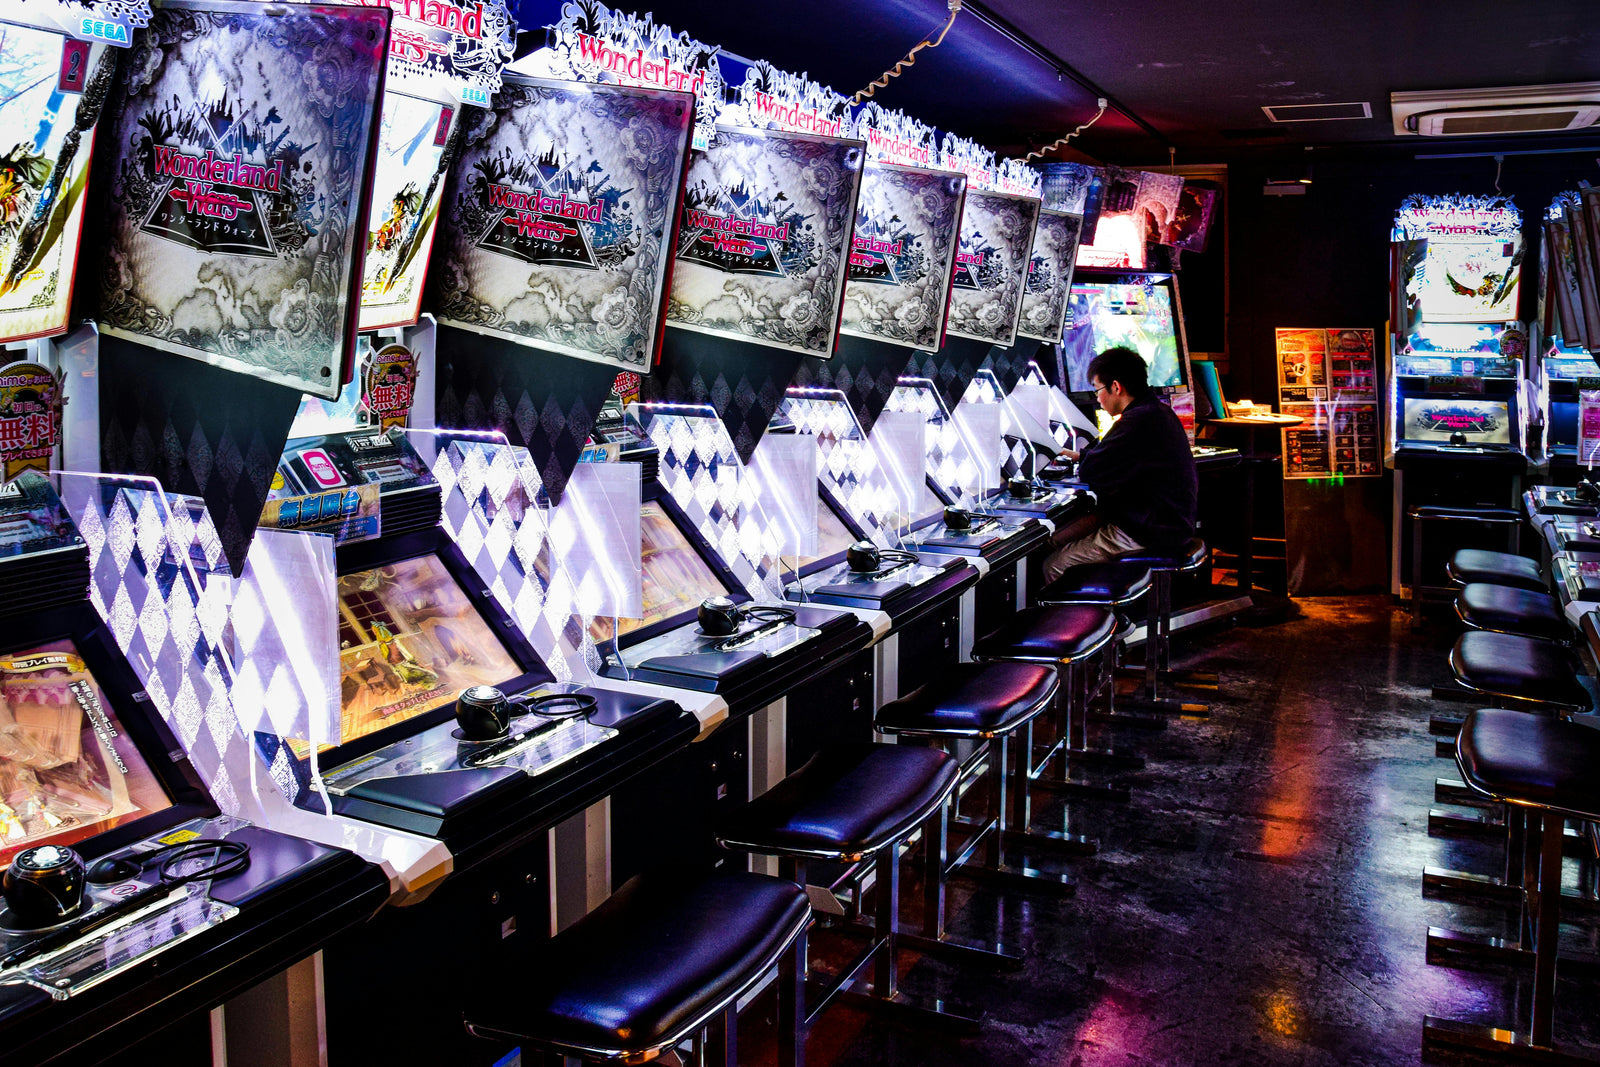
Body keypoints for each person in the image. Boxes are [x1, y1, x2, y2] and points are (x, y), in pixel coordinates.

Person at [1043, 346, 1198, 583]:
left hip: (1149, 529)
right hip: (1157, 520)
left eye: (1097, 390)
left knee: (1054, 564)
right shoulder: (1156, 411)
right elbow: (1110, 458)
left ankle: (1089, 620)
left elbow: (1093, 472)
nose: (1097, 398)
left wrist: (1084, 461)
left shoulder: (1138, 420)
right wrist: (1080, 456)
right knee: (1054, 538)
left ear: (1116, 387)